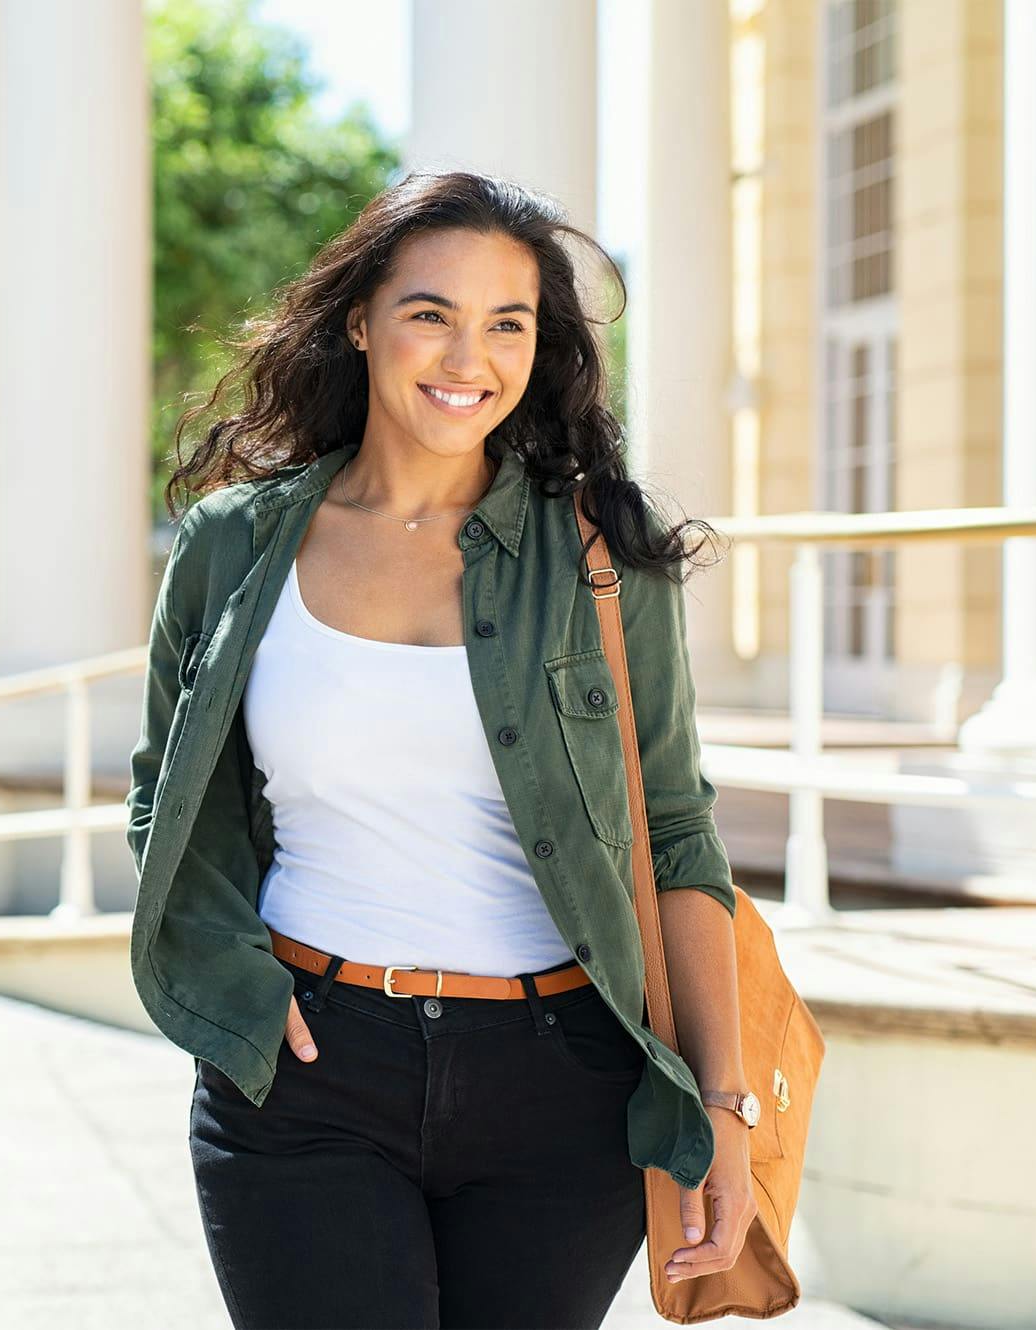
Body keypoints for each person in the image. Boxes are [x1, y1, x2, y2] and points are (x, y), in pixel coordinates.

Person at [126, 170, 759, 1330]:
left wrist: (720, 1102)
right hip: (310, 1068)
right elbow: (170, 794)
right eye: (431, 312)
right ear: (359, 320)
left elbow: (673, 830)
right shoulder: (234, 545)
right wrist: (236, 992)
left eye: (505, 323)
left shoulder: (601, 561)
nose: (467, 354)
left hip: (563, 1077)